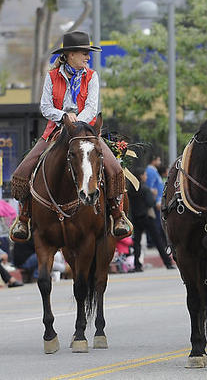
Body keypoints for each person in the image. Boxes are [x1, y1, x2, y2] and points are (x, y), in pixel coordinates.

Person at [9, 31, 132, 242]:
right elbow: (45, 107)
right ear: (69, 55)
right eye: (84, 53)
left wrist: (77, 125)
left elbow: (92, 108)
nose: (88, 57)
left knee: (114, 168)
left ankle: (117, 215)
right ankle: (24, 218)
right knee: (23, 170)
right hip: (55, 130)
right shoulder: (51, 76)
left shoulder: (92, 76)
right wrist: (64, 117)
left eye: (88, 53)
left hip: (86, 132)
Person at [127, 167, 174, 272]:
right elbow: (151, 203)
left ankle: (137, 265)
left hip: (136, 218)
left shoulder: (131, 190)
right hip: (147, 218)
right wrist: (154, 195)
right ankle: (168, 263)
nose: (146, 176)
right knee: (158, 241)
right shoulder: (145, 189)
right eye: (144, 175)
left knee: (137, 243)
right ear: (141, 176)